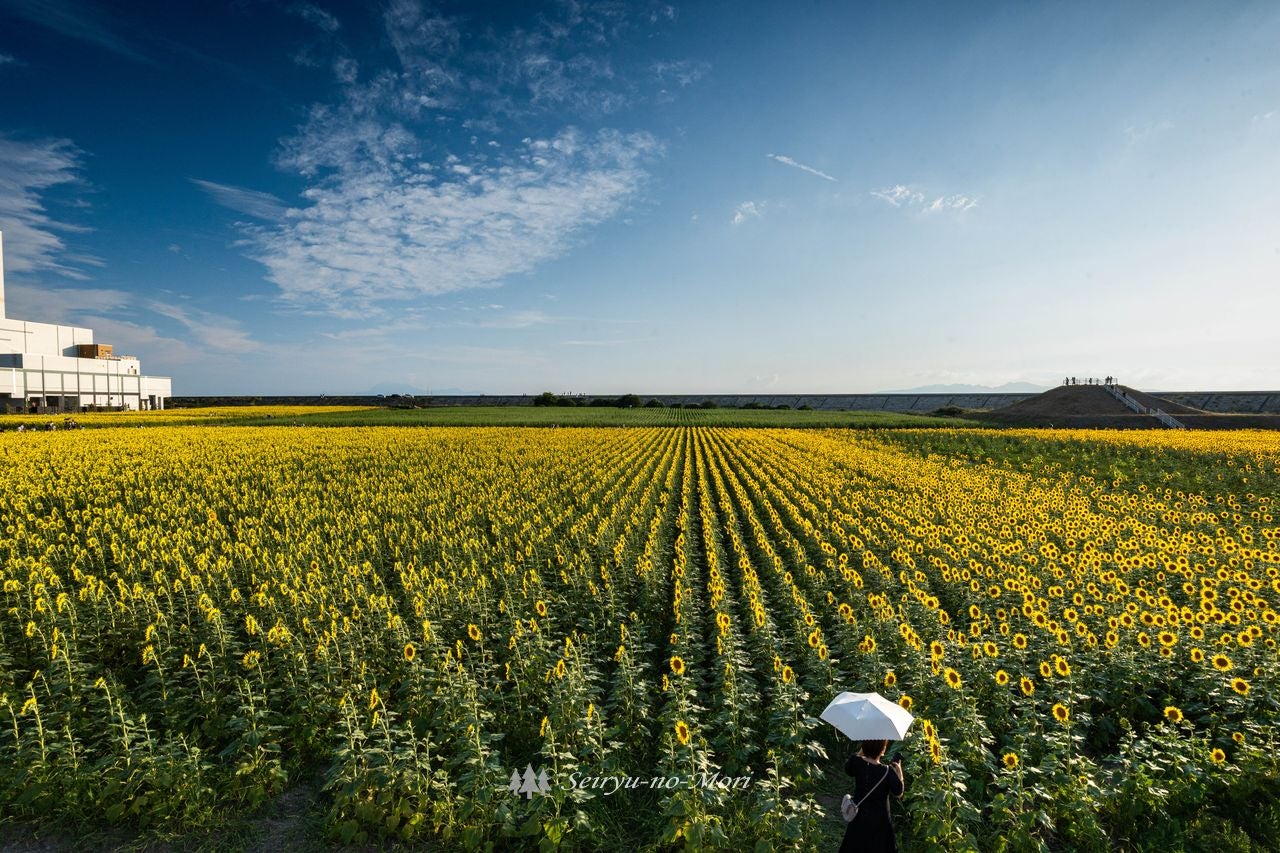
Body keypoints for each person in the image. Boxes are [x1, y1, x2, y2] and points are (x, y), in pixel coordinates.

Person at [839, 739, 905, 852]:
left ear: (863, 745)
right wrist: (899, 775)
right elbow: (898, 793)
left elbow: (848, 770)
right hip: (880, 822)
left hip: (858, 816)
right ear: (883, 750)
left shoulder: (856, 761)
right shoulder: (887, 772)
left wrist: (861, 752)